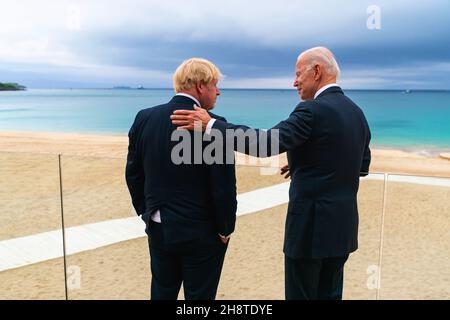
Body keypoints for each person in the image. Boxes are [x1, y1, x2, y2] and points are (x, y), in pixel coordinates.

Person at [170, 47, 371, 300]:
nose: (294, 82)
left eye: (298, 74)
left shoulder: (310, 110)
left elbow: (265, 143)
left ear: (317, 71)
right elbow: (360, 165)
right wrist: (303, 165)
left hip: (310, 231)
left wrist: (210, 124)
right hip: (342, 229)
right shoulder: (356, 113)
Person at [126, 58, 237, 300]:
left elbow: (133, 174)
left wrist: (147, 211)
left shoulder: (144, 118)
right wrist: (225, 228)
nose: (218, 91)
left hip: (158, 227)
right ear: (200, 86)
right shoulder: (214, 126)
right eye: (215, 85)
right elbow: (223, 185)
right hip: (202, 233)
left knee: (162, 293)